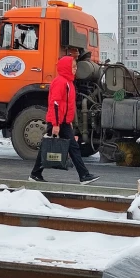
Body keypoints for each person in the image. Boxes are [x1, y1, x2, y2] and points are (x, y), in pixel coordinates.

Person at [29, 55, 100, 185]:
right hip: (57, 121)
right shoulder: (61, 82)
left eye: (75, 66)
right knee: (55, 146)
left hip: (63, 122)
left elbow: (67, 105)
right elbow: (55, 103)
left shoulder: (68, 82)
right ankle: (83, 175)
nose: (75, 69)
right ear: (66, 68)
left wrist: (69, 121)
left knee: (63, 146)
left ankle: (36, 173)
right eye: (73, 67)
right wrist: (56, 124)